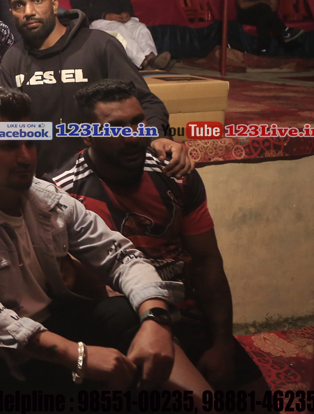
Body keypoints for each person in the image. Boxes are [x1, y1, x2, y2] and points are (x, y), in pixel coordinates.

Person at [0, 88, 210, 402]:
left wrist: (156, 319)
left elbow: (121, 256)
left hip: (48, 327)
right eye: (9, 145)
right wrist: (77, 355)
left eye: (30, 143)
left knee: (128, 313)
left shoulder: (44, 197)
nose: (25, 157)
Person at [50, 80, 265, 390]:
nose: (133, 135)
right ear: (87, 135)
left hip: (188, 315)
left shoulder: (173, 174)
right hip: (127, 322)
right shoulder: (63, 193)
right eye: (116, 127)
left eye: (138, 122)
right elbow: (85, 288)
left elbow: (206, 260)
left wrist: (222, 344)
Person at [0, 0, 190, 177]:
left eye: (37, 0)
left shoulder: (99, 45)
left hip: (104, 182)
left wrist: (158, 137)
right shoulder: (12, 59)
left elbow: (146, 102)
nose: (29, 12)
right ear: (11, 13)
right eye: (19, 5)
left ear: (54, 4)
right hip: (41, 186)